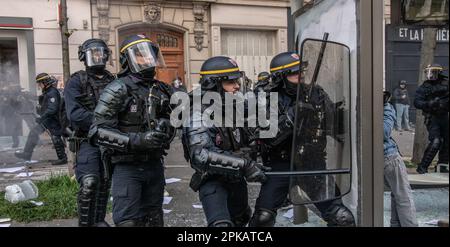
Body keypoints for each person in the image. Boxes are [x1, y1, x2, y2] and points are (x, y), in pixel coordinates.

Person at [249, 51, 355, 227]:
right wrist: (292, 117)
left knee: (342, 218)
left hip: (312, 165)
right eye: (294, 73)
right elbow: (266, 137)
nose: (301, 75)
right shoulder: (267, 98)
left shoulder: (316, 93)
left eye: (302, 71)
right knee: (263, 219)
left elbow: (334, 124)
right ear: (280, 77)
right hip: (281, 166)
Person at [88, 34, 175, 227]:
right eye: (141, 55)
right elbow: (97, 131)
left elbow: (180, 118)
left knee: (154, 219)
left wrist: (167, 127)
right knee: (128, 222)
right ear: (128, 59)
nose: (148, 60)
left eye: (150, 55)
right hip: (127, 168)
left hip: (154, 164)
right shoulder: (118, 88)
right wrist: (138, 140)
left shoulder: (162, 89)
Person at [181, 56, 269, 227]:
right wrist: (245, 165)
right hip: (213, 181)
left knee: (241, 220)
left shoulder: (233, 107)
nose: (237, 86)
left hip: (236, 180)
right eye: (231, 82)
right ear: (214, 84)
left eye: (237, 81)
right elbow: (202, 156)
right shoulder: (198, 113)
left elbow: (249, 138)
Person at [64, 38, 116, 226]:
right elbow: (75, 115)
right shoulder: (77, 81)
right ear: (83, 56)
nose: (97, 57)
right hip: (88, 141)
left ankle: (99, 221)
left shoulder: (113, 80)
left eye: (100, 53)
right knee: (89, 183)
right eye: (93, 53)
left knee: (104, 183)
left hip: (111, 141)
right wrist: (103, 121)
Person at [15, 73, 67, 165]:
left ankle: (62, 158)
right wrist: (28, 96)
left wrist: (41, 117)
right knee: (34, 133)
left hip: (53, 119)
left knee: (56, 137)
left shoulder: (52, 92)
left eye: (40, 83)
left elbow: (52, 109)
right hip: (48, 119)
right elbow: (42, 99)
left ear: (45, 82)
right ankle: (27, 154)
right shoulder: (48, 92)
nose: (39, 85)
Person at [383, 91, 418, 227]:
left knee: (399, 196)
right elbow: (384, 132)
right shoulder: (385, 108)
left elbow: (384, 131)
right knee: (402, 197)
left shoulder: (385, 108)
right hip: (387, 157)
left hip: (388, 158)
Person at [414, 64, 449, 174]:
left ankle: (442, 166)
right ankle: (422, 167)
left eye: (433, 72)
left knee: (447, 143)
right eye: (429, 72)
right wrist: (429, 104)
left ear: (438, 73)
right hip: (432, 117)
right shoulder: (424, 87)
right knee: (435, 141)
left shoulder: (446, 83)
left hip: (445, 116)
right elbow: (417, 102)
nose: (431, 75)